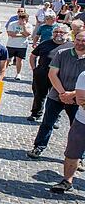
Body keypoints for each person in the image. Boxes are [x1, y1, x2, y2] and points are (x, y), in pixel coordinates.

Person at [27, 30, 85, 159]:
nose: (80, 43)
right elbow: (52, 74)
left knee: (79, 128)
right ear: (74, 39)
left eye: (83, 41)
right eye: (78, 40)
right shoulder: (62, 53)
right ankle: (38, 147)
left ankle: (79, 156)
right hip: (56, 95)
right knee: (47, 123)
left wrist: (72, 94)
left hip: (79, 99)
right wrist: (63, 93)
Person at [49, 68, 85, 193]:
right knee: (72, 152)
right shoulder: (84, 75)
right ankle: (67, 180)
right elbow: (81, 101)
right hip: (82, 122)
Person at [6, 13, 33, 81]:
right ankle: (2, 72)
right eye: (21, 19)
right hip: (11, 44)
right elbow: (10, 34)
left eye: (24, 19)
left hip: (22, 45)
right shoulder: (12, 24)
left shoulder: (29, 25)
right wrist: (22, 35)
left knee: (19, 60)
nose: (22, 21)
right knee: (7, 59)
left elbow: (27, 34)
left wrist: (24, 27)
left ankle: (18, 73)